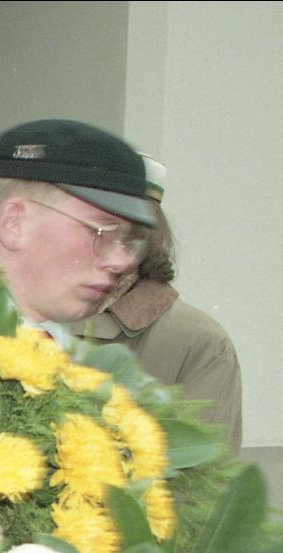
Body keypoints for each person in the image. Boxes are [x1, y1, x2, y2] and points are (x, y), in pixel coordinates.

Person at [74, 158, 243, 451]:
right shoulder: (30, 312)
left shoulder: (200, 343)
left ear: (142, 238)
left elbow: (200, 468)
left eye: (104, 230)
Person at [0, 118, 158, 340]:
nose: (123, 262)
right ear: (14, 222)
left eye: (129, 241)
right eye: (102, 231)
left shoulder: (75, 353)